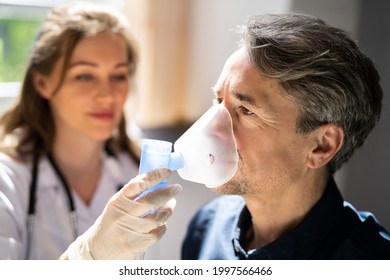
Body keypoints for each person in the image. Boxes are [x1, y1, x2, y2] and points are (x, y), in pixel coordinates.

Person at [181, 13, 390, 259]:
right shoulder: (206, 228)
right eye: (218, 101)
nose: (212, 128)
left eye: (246, 111)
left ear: (322, 146)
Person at [0, 1, 182, 260]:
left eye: (118, 76)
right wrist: (92, 254)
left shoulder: (134, 168)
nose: (107, 95)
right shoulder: (8, 181)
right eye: (85, 76)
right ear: (43, 83)